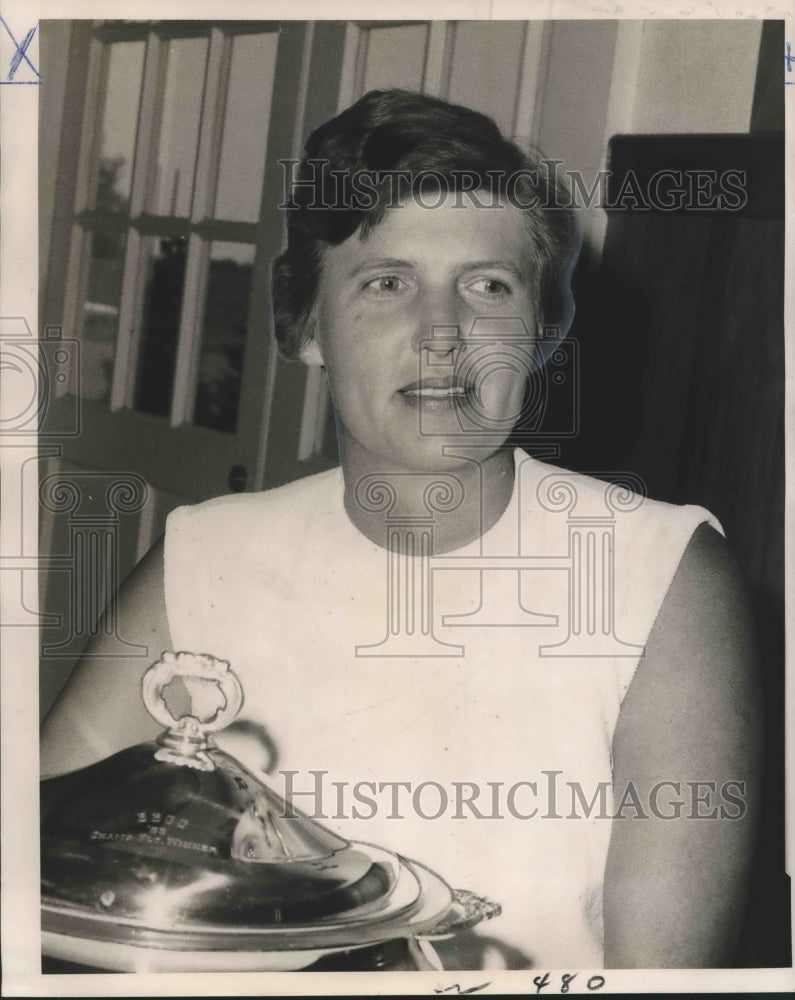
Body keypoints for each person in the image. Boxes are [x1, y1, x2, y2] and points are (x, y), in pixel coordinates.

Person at [41, 89, 760, 970]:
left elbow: (660, 981)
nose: (442, 335)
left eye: (487, 286)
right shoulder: (205, 557)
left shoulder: (665, 577)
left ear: (541, 333)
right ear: (306, 326)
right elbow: (37, 865)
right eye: (387, 283)